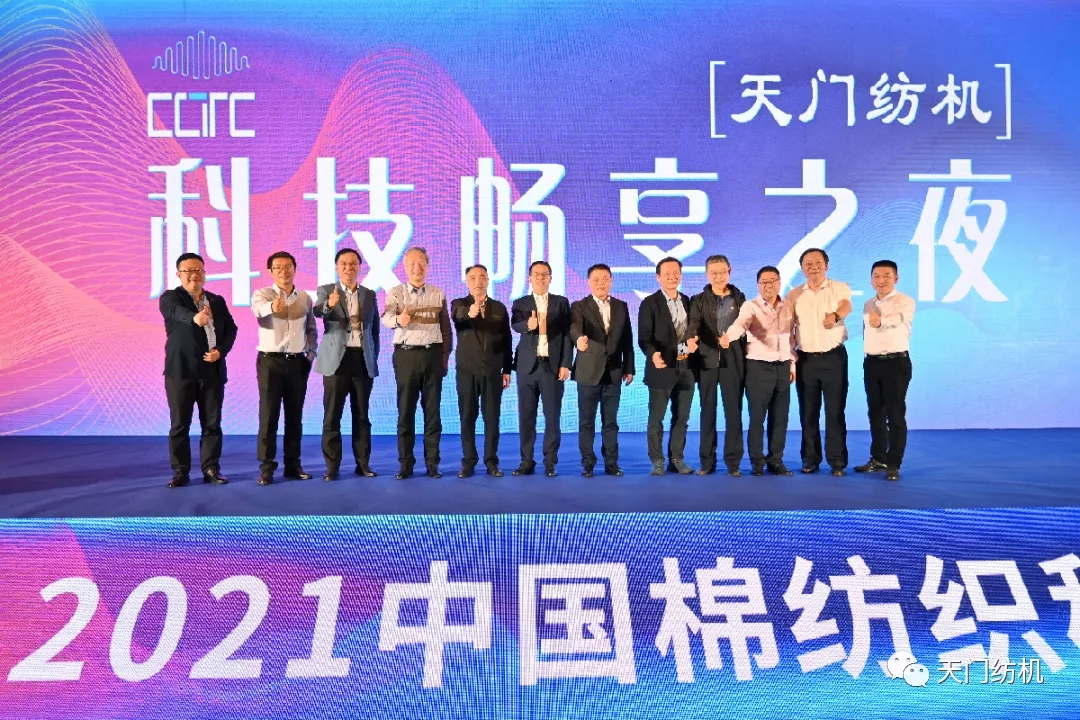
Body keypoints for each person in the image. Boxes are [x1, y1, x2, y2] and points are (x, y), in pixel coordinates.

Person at [159, 253, 238, 488]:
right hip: (181, 371)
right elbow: (175, 313)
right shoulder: (171, 298)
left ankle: (211, 468)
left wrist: (220, 351)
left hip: (212, 371)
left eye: (199, 270)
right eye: (189, 271)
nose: (194, 275)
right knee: (179, 425)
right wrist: (195, 317)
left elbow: (231, 330)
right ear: (179, 274)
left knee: (212, 424)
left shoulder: (216, 300)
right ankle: (180, 471)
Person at [381, 247, 452, 480]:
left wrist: (444, 358)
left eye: (421, 262)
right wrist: (399, 319)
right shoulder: (396, 293)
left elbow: (446, 330)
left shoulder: (438, 294)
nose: (417, 267)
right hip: (406, 356)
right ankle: (405, 464)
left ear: (428, 266)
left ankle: (432, 463)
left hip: (433, 356)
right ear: (404, 266)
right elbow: (385, 318)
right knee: (405, 412)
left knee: (433, 413)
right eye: (412, 263)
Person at [720, 266, 796, 476]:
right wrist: (728, 337)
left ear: (779, 282)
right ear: (758, 285)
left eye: (772, 281)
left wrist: (792, 364)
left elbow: (791, 338)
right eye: (764, 282)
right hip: (758, 367)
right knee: (757, 418)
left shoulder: (788, 306)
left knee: (780, 418)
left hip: (782, 366)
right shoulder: (751, 306)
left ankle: (776, 460)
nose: (768, 285)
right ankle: (757, 462)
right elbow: (740, 324)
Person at [313, 247, 380, 481]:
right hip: (336, 361)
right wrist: (329, 304)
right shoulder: (326, 290)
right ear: (336, 267)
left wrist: (373, 356)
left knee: (362, 415)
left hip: (361, 359)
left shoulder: (369, 294)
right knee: (332, 414)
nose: (348, 267)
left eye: (353, 264)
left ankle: (363, 464)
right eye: (344, 263)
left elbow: (374, 329)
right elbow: (318, 312)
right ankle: (332, 466)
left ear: (360, 267)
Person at [252, 251, 317, 485]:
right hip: (271, 362)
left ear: (294, 269)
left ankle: (293, 464)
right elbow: (259, 310)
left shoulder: (305, 298)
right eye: (278, 267)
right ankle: (266, 467)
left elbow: (311, 327)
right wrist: (273, 305)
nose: (283, 271)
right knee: (269, 416)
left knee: (294, 416)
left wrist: (311, 352)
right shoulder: (262, 295)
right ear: (270, 272)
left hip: (298, 362)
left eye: (288, 266)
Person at [787, 248, 852, 477]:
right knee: (808, 413)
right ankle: (810, 459)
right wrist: (790, 360)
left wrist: (835, 316)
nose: (813, 267)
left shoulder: (838, 287)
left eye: (817, 263)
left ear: (826, 265)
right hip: (805, 360)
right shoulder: (794, 294)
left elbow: (846, 305)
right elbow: (789, 328)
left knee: (835, 412)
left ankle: (837, 462)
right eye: (808, 264)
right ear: (802, 268)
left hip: (834, 357)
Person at [569, 263, 634, 477]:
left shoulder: (621, 306)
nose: (601, 283)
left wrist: (629, 367)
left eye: (605, 279)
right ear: (589, 282)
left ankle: (611, 462)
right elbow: (575, 327)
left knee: (611, 422)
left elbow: (627, 339)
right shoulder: (579, 306)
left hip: (614, 371)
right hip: (588, 372)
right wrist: (579, 339)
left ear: (611, 281)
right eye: (596, 279)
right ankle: (588, 463)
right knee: (586, 422)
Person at [687, 254, 747, 476]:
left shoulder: (740, 299)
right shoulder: (698, 300)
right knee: (707, 412)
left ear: (730, 272)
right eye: (714, 273)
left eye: (722, 272)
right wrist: (691, 340)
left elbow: (746, 327)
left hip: (733, 362)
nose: (719, 276)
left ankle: (734, 463)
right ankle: (707, 462)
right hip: (707, 361)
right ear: (707, 274)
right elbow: (693, 325)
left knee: (734, 412)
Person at [511, 260, 572, 477]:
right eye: (536, 274)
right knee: (526, 416)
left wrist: (566, 363)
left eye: (544, 274)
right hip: (527, 366)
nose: (540, 277)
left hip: (552, 367)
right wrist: (527, 325)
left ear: (550, 278)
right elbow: (515, 324)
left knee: (552, 416)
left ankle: (550, 461)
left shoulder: (561, 302)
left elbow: (567, 335)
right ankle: (527, 460)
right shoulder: (520, 303)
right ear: (529, 278)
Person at [638, 257, 699, 476]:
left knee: (682, 418)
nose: (672, 277)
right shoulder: (649, 303)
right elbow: (644, 337)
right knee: (656, 419)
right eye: (667, 273)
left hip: (686, 368)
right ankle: (657, 461)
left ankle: (677, 459)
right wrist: (653, 354)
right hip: (661, 367)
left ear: (681, 275)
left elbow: (693, 334)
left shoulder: (688, 301)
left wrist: (693, 344)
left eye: (676, 273)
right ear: (658, 277)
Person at [855, 260, 915, 482]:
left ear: (895, 278)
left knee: (895, 414)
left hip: (896, 363)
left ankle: (893, 463)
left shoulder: (905, 301)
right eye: (877, 276)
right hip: (872, 363)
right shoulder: (868, 303)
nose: (881, 280)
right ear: (871, 279)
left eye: (886, 276)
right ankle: (878, 458)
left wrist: (880, 321)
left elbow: (899, 319)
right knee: (875, 413)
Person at [451, 264, 512, 478]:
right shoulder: (459, 304)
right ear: (467, 282)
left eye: (482, 277)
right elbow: (459, 317)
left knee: (492, 418)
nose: (478, 282)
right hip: (467, 371)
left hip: (493, 371)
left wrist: (507, 369)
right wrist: (471, 312)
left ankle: (491, 461)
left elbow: (507, 340)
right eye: (473, 278)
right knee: (467, 417)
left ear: (487, 280)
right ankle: (468, 461)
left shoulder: (499, 308)